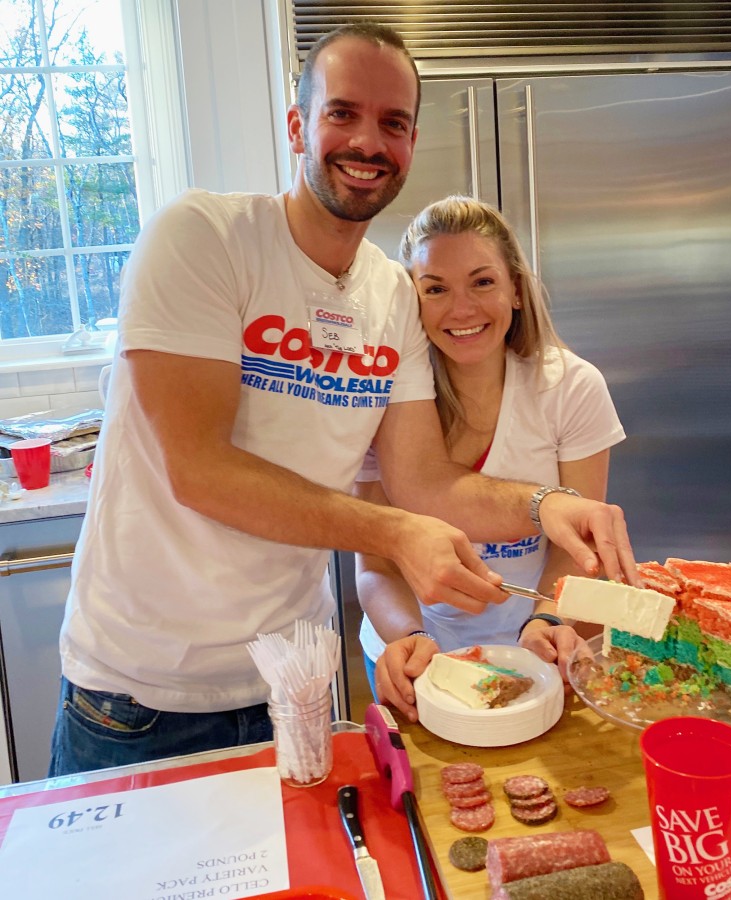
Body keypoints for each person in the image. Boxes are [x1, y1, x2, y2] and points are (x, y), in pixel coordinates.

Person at [49, 23, 637, 777]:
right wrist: (395, 536)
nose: (368, 140)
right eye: (343, 113)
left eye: (393, 123)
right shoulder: (203, 238)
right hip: (139, 694)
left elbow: (424, 481)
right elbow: (197, 470)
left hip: (292, 677)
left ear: (412, 143)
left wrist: (546, 506)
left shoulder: (392, 298)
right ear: (297, 125)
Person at [355, 196, 625, 720]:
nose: (462, 309)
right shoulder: (381, 399)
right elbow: (375, 564)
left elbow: (577, 549)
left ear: (516, 291)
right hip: (414, 657)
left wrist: (547, 621)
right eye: (435, 289)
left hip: (536, 653)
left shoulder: (570, 387)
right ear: (411, 304)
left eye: (482, 282)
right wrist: (409, 638)